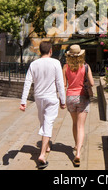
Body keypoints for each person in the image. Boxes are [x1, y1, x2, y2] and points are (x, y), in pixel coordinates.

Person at [20, 41, 66, 169]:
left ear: (40, 51)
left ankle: (47, 146)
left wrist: (23, 101)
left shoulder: (34, 64)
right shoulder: (56, 63)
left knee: (43, 121)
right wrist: (63, 100)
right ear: (50, 50)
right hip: (51, 97)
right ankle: (41, 155)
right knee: (48, 122)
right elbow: (60, 84)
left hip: (39, 97)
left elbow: (27, 82)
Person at [62, 44, 94, 167]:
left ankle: (76, 144)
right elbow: (91, 82)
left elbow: (64, 84)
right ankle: (78, 153)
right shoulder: (85, 66)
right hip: (82, 97)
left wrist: (62, 100)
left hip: (70, 97)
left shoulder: (65, 67)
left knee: (75, 124)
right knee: (81, 126)